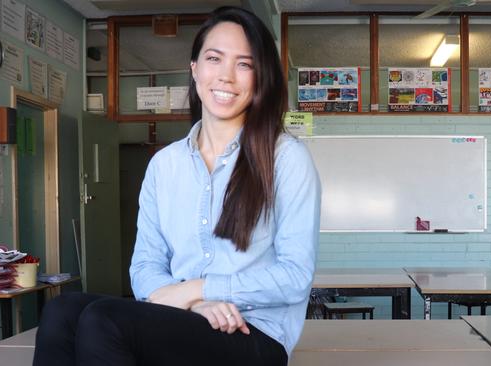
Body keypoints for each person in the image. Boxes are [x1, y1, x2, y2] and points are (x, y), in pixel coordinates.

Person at [32, 6, 320, 366]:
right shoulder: (164, 165)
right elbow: (145, 266)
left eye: (244, 64)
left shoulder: (286, 158)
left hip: (254, 334)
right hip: (186, 318)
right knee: (63, 310)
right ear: (195, 68)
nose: (226, 76)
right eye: (214, 58)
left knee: (104, 320)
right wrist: (196, 304)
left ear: (260, 77)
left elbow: (294, 277)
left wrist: (198, 289)